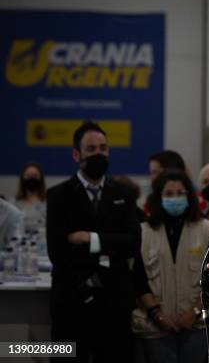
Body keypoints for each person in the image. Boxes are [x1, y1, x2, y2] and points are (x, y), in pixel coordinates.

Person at [46, 121, 141, 362]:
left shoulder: (124, 193)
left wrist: (91, 239)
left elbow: (132, 244)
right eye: (91, 149)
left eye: (103, 148)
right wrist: (111, 247)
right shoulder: (58, 196)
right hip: (71, 301)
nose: (99, 154)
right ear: (76, 154)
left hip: (114, 303)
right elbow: (58, 252)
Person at [131, 169, 209, 363]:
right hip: (155, 325)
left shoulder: (206, 229)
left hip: (197, 324)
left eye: (180, 193)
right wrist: (157, 315)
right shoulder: (143, 231)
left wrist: (193, 312)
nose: (175, 198)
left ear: (189, 196)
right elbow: (138, 278)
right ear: (158, 196)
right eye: (168, 194)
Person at [13, 162, 47, 238]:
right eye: (28, 176)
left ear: (41, 179)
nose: (31, 178)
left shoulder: (50, 202)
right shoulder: (14, 203)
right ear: (22, 178)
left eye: (35, 175)